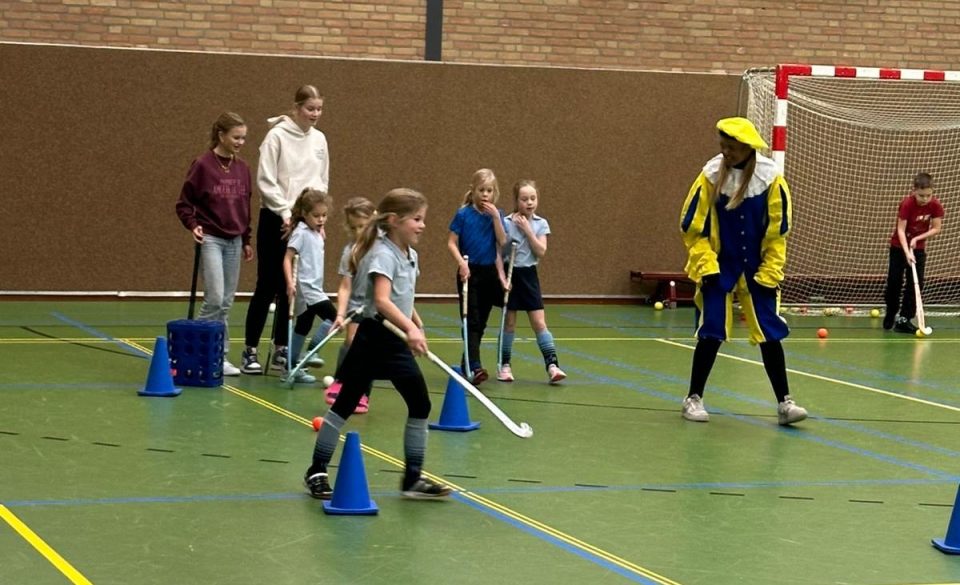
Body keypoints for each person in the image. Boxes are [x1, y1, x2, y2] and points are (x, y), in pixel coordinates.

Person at [304, 188, 451, 500]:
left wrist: (415, 319)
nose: (423, 225)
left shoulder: (410, 254)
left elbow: (400, 295)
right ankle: (316, 469)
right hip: (374, 338)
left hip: (395, 340)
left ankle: (412, 478)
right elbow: (381, 301)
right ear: (395, 221)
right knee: (344, 406)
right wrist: (410, 328)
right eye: (417, 219)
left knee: (420, 404)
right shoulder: (382, 253)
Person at [678, 117, 807, 425]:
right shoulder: (710, 176)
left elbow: (778, 232)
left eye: (731, 147)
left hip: (756, 269)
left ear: (747, 148)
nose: (726, 152)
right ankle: (693, 398)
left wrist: (771, 269)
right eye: (723, 146)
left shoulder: (771, 179)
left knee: (769, 331)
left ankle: (784, 403)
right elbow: (692, 228)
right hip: (718, 267)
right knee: (711, 330)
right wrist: (705, 263)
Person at [241, 85, 330, 375]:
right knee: (267, 284)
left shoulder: (319, 140)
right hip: (276, 219)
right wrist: (285, 212)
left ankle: (281, 349)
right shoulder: (276, 137)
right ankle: (250, 350)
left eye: (318, 109)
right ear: (296, 107)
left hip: (304, 221)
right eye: (310, 108)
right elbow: (266, 180)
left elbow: (321, 181)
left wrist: (317, 219)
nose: (315, 114)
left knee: (291, 288)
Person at [175, 112, 254, 377]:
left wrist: (246, 239)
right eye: (236, 137)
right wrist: (192, 224)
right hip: (210, 237)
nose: (240, 142)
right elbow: (184, 203)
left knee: (227, 303)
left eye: (243, 138)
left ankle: (218, 356)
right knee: (215, 297)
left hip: (234, 239)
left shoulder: (243, 168)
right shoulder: (203, 165)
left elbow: (245, 206)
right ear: (221, 135)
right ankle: (194, 351)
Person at [496, 179, 566, 384]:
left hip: (529, 276)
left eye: (533, 198)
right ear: (516, 201)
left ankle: (552, 365)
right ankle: (505, 365)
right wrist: (501, 277)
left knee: (539, 323)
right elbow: (501, 251)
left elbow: (541, 251)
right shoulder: (506, 222)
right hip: (511, 275)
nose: (529, 202)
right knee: (509, 324)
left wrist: (527, 229)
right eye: (524, 199)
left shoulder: (540, 224)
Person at [447, 168, 508, 384]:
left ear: (494, 193)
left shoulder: (497, 215)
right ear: (473, 191)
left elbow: (502, 242)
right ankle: (475, 366)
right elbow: (451, 243)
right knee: (471, 321)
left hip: (489, 273)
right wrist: (461, 263)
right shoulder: (463, 214)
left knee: (481, 322)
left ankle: (468, 362)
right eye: (481, 190)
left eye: (489, 191)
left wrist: (495, 219)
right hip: (469, 272)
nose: (485, 195)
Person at [324, 196, 377, 412]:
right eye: (353, 228)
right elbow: (345, 286)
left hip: (376, 308)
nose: (358, 232)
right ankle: (341, 381)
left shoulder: (383, 249)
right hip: (356, 305)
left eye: (362, 227)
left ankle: (363, 394)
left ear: (373, 222)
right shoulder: (350, 251)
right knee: (352, 341)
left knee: (370, 351)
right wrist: (340, 314)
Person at [282, 188, 337, 383]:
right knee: (335, 318)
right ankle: (312, 352)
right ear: (305, 214)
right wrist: (290, 283)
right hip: (307, 289)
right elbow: (287, 259)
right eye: (316, 216)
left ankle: (292, 368)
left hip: (314, 287)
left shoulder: (316, 233)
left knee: (302, 327)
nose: (321, 219)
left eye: (324, 215)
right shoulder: (301, 233)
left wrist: (319, 230)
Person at [883, 172, 945, 333]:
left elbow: (937, 228)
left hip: (918, 249)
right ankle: (891, 312)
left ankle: (904, 318)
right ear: (914, 191)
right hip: (898, 247)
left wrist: (918, 239)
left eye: (928, 195)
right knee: (894, 282)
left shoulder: (935, 205)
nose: (925, 199)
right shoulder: (907, 204)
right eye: (921, 195)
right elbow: (901, 230)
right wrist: (906, 252)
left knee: (916, 284)